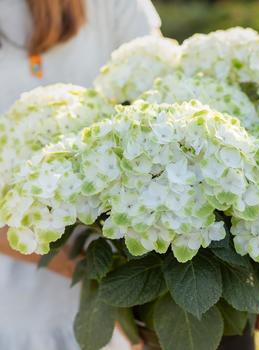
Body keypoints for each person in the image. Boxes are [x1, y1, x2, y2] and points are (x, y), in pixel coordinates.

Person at [0, 0, 160, 349]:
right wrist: (83, 268)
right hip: (15, 307)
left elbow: (166, 106)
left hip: (109, 297)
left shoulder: (116, 6)